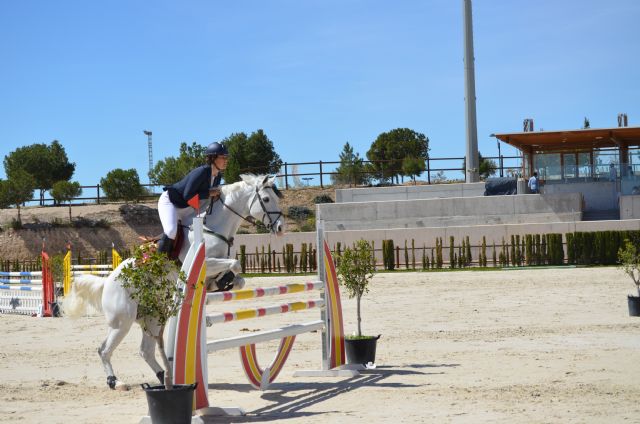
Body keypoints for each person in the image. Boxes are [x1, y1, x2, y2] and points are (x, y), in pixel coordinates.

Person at [156, 142, 229, 255]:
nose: (226, 160)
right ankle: (158, 263)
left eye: (226, 157)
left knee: (196, 231)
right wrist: (209, 193)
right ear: (213, 158)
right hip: (171, 202)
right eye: (223, 157)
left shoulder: (218, 176)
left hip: (188, 207)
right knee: (171, 232)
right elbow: (187, 195)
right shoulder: (201, 172)